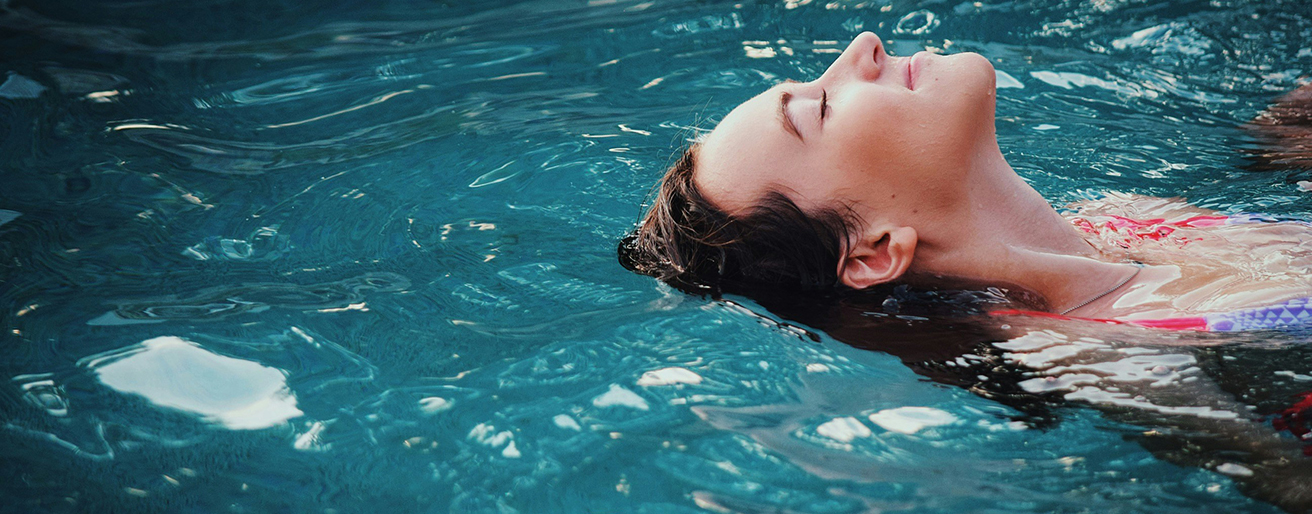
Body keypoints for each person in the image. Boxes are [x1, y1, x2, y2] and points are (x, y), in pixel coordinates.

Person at [619, 31, 1312, 332]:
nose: (863, 46)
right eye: (820, 108)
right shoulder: (1113, 352)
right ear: (873, 253)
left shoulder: (1125, 217)